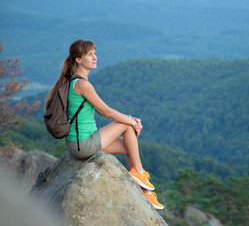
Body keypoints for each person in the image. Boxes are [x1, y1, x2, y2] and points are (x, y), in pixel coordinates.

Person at [45, 39, 164, 210]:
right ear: (78, 59)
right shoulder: (82, 84)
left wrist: (131, 119)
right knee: (127, 126)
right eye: (90, 54)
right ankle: (139, 173)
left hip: (81, 142)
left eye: (94, 53)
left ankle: (143, 191)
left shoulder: (75, 82)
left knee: (130, 146)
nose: (95, 57)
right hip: (83, 145)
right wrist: (132, 120)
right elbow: (106, 111)